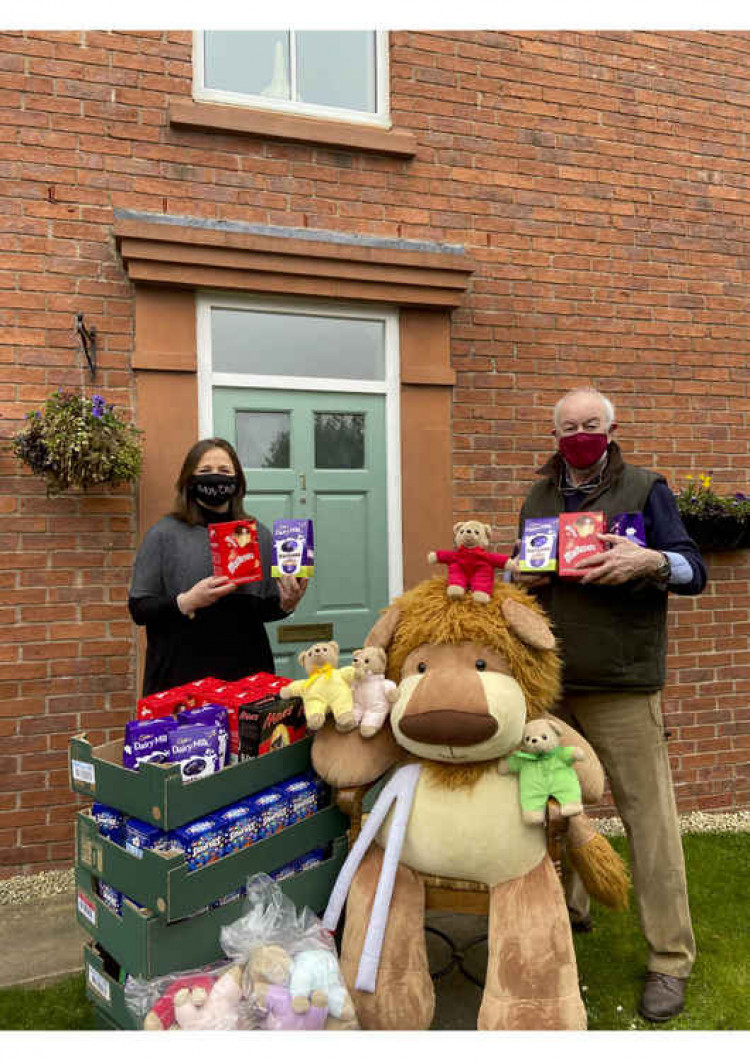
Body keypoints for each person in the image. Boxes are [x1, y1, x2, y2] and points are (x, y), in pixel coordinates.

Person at [507, 386, 707, 1024]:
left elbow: (695, 570)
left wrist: (653, 560)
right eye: (568, 426)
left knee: (648, 823)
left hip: (622, 683)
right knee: (551, 810)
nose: (580, 434)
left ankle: (669, 959)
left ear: (613, 427)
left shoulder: (647, 488)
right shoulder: (538, 496)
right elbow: (524, 573)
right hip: (553, 685)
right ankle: (567, 914)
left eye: (591, 424)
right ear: (555, 434)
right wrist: (518, 575)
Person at [129, 438, 307, 696]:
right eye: (204, 471)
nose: (215, 478)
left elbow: (264, 609)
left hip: (247, 674)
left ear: (238, 481)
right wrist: (187, 601)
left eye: (224, 471)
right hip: (181, 677)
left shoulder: (258, 534)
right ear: (189, 480)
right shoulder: (164, 534)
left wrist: (287, 603)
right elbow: (139, 609)